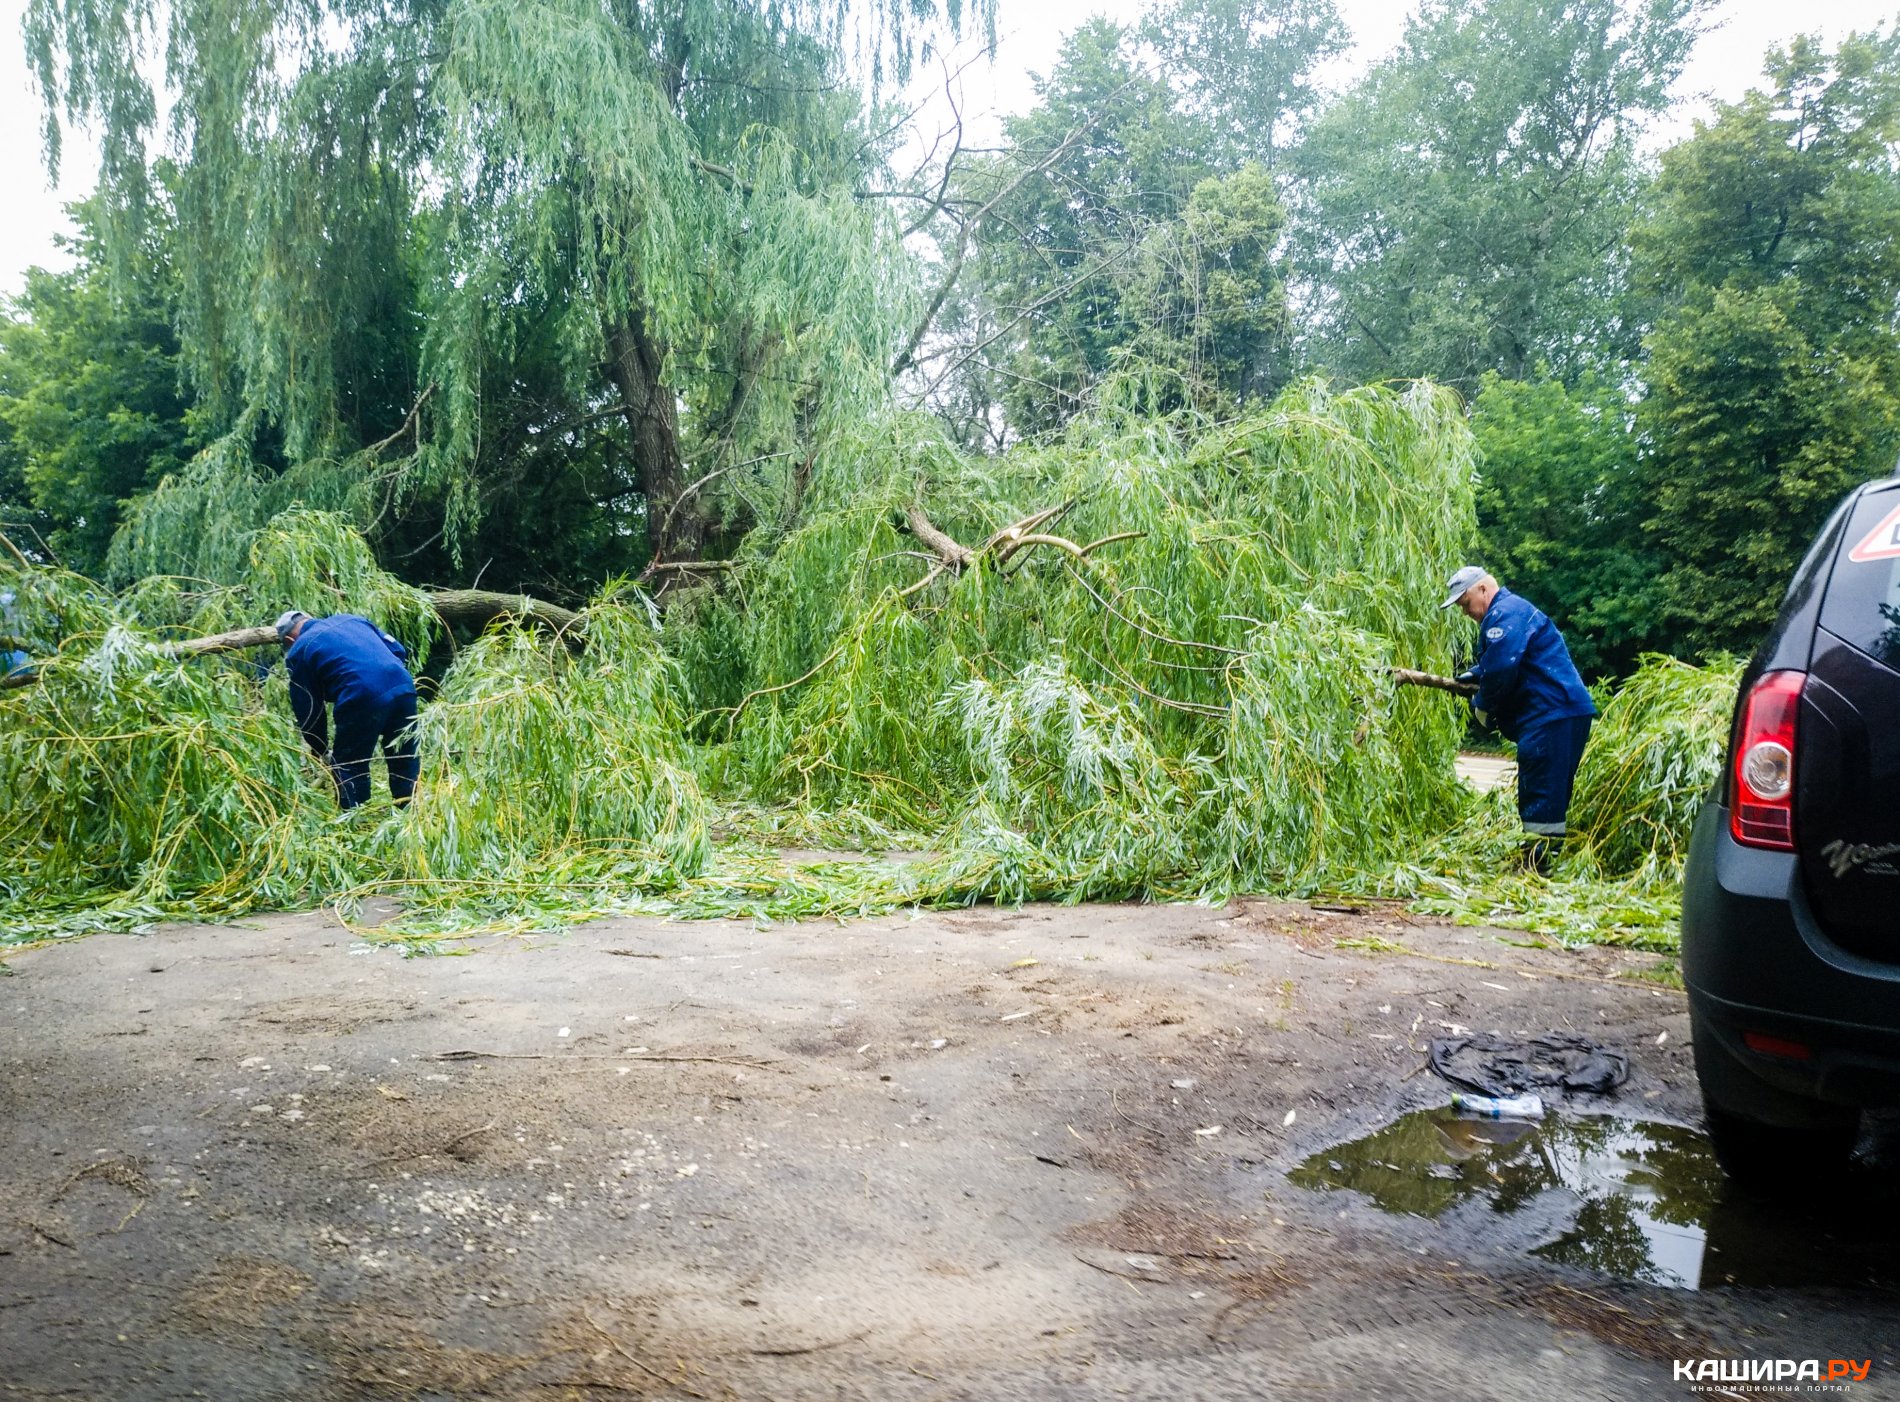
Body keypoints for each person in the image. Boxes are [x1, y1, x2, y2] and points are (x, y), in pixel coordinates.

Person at [1440, 567, 1596, 871]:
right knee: (1548, 789)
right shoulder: (1513, 612)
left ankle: (1539, 865)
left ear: (1483, 590)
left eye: (1464, 603)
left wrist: (1483, 706)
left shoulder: (1503, 614)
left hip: (1550, 714)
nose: (1464, 612)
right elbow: (1508, 661)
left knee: (1541, 788)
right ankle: (1543, 858)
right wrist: (1477, 673)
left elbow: (1502, 668)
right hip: (1560, 712)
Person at [276, 610, 419, 810]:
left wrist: (320, 748)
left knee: (350, 766)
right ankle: (410, 814)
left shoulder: (301, 648)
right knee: (404, 757)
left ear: (290, 639)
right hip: (403, 685)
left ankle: (354, 823)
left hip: (361, 694)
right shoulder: (353, 619)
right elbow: (398, 650)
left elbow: (308, 708)